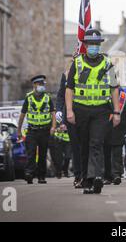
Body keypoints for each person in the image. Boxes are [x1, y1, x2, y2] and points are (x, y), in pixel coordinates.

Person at [65, 29, 121, 194]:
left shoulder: (107, 63)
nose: (94, 47)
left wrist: (116, 112)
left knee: (96, 143)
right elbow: (69, 89)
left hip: (101, 110)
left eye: (97, 44)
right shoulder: (77, 63)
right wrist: (69, 110)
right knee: (84, 145)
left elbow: (114, 88)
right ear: (86, 45)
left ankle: (95, 177)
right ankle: (86, 178)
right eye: (91, 44)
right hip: (80, 109)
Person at [17, 75, 56, 184]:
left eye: (43, 84)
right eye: (39, 84)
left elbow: (53, 113)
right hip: (32, 131)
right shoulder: (28, 98)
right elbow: (22, 115)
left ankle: (41, 176)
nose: (41, 86)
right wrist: (19, 130)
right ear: (34, 85)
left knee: (43, 154)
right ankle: (29, 173)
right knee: (31, 153)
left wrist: (53, 127)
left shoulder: (47, 98)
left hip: (44, 131)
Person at [56, 59, 82, 187]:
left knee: (89, 145)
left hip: (86, 112)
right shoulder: (65, 75)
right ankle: (78, 175)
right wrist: (59, 110)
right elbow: (61, 94)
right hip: (71, 115)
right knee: (76, 147)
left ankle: (90, 173)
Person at [104, 88, 126, 185]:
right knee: (106, 153)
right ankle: (107, 176)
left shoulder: (124, 96)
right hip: (105, 129)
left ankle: (116, 175)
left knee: (117, 154)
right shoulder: (103, 92)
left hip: (119, 130)